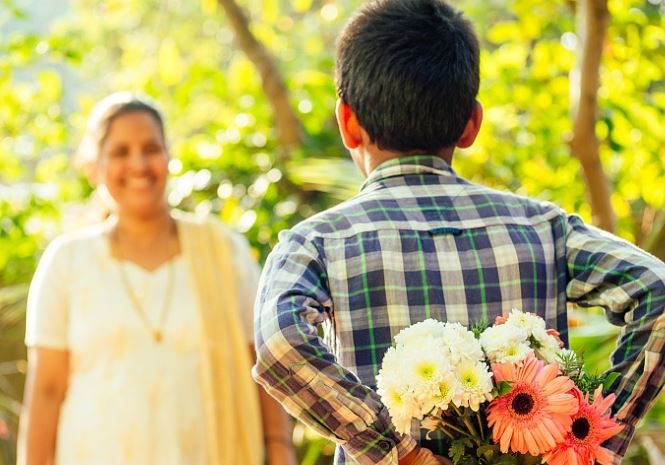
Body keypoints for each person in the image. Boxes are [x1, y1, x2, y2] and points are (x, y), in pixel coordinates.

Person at [251, 1, 665, 465]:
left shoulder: (318, 242)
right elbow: (657, 291)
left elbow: (278, 343)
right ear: (471, 123)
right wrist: (591, 439)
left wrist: (398, 454)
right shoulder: (544, 230)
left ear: (347, 122)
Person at [17, 92, 298, 465]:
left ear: (168, 156)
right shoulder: (67, 262)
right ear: (94, 166)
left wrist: (279, 447)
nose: (138, 163)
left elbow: (261, 361)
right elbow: (47, 390)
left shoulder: (221, 251)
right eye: (120, 152)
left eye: (151, 148)